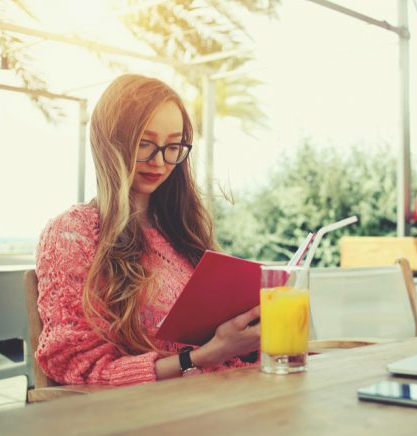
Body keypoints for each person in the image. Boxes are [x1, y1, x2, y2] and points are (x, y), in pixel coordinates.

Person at [35, 74, 260, 385]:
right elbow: (79, 368)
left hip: (230, 394)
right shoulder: (73, 234)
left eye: (173, 146)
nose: (160, 162)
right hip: (154, 414)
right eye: (145, 143)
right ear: (110, 142)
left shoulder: (184, 233)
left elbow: (225, 343)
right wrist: (202, 357)